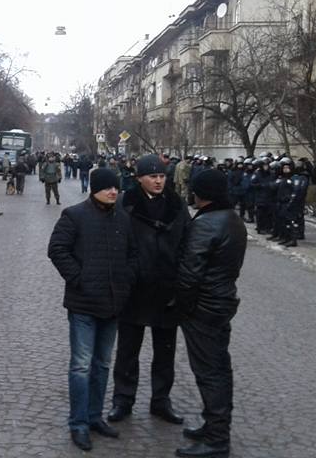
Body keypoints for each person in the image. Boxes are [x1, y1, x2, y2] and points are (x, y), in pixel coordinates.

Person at [48, 168, 138, 451]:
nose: (114, 191)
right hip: (84, 305)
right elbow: (57, 249)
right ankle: (78, 423)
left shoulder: (123, 218)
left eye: (117, 187)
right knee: (81, 366)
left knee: (102, 365)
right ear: (95, 189)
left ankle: (95, 416)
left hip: (112, 304)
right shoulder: (74, 215)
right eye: (108, 187)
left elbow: (133, 255)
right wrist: (79, 279)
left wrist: (126, 280)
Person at [108, 155, 189, 427]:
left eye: (162, 176)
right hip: (134, 289)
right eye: (152, 176)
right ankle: (123, 399)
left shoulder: (177, 206)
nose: (158, 181)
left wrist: (182, 282)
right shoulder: (124, 204)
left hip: (167, 289)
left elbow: (187, 245)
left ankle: (161, 400)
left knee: (165, 351)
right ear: (139, 178)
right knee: (128, 350)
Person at [174, 169, 247, 458]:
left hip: (204, 307)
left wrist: (182, 306)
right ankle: (213, 426)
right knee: (219, 368)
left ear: (201, 193)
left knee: (210, 373)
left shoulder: (207, 223)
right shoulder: (232, 219)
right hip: (221, 302)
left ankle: (217, 439)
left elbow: (190, 273)